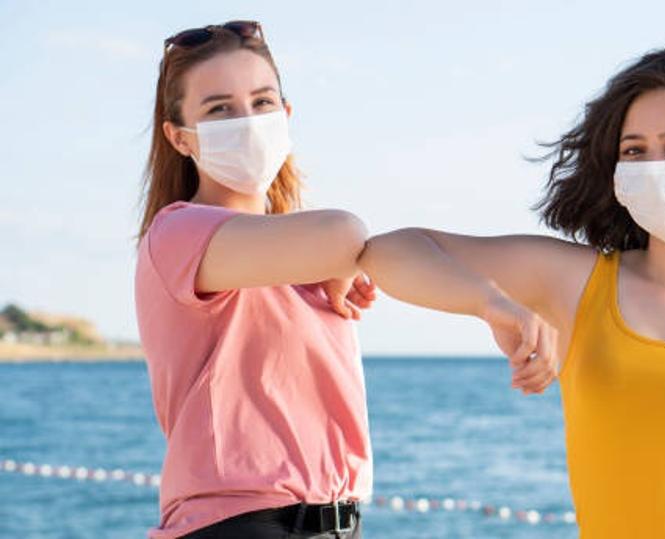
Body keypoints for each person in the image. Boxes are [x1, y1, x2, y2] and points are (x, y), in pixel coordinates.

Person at [359, 47, 665, 538]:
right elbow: (390, 252)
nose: (656, 166)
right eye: (635, 151)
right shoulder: (574, 282)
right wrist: (492, 304)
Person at [134, 21, 555, 538]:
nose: (247, 121)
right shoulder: (178, 232)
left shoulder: (303, 253)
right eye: (219, 110)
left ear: (286, 116)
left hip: (336, 524)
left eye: (262, 102)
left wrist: (490, 303)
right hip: (235, 522)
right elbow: (346, 233)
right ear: (179, 136)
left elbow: (388, 249)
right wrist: (343, 260)